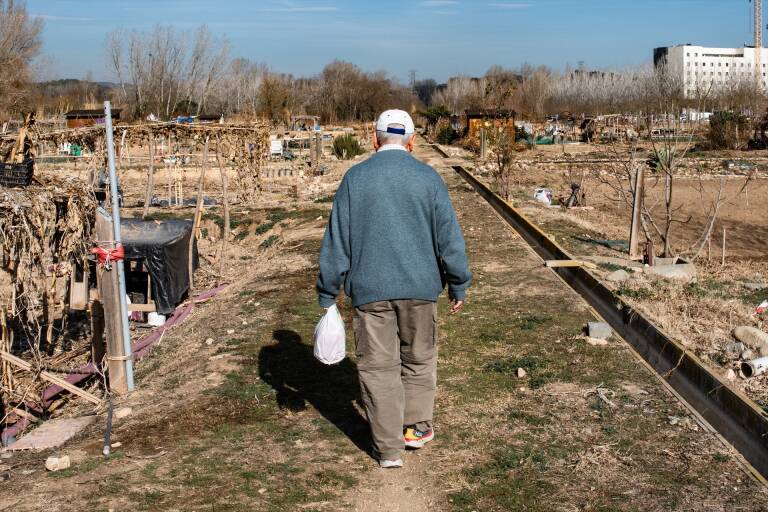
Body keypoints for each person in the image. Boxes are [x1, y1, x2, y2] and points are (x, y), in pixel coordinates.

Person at [316, 109, 472, 469]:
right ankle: (415, 429)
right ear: (412, 141)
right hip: (421, 289)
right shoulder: (428, 179)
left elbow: (337, 241)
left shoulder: (355, 179)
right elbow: (449, 239)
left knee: (378, 368)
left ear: (374, 139)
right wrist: (458, 283)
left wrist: (328, 292)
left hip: (370, 293)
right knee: (418, 359)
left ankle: (388, 450)